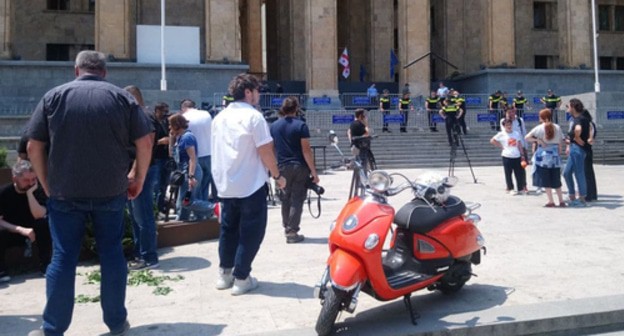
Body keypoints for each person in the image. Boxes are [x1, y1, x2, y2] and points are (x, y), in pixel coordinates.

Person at [26, 50, 153, 336]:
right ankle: (117, 323)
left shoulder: (54, 96)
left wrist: (47, 185)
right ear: (104, 73)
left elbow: (34, 146)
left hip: (64, 192)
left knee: (62, 258)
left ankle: (53, 328)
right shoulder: (122, 98)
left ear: (76, 71)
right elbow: (145, 142)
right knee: (112, 254)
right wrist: (138, 177)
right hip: (111, 191)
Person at [211, 73, 286, 296]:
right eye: (257, 91)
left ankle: (225, 273)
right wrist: (277, 175)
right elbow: (265, 150)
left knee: (228, 229)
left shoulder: (219, 118)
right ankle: (242, 277)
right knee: (252, 231)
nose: (259, 95)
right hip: (250, 184)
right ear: (248, 92)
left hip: (226, 184)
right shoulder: (254, 117)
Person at [270, 96, 319, 244]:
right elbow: (306, 151)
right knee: (297, 199)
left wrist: (274, 168)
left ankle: (287, 226)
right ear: (296, 108)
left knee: (285, 198)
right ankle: (292, 231)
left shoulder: (274, 126)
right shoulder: (301, 125)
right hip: (299, 166)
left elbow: (271, 149)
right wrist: (314, 172)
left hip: (282, 167)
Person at [123, 85, 159, 271]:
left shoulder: (144, 115)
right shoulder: (137, 115)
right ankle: (140, 253)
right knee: (136, 215)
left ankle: (148, 256)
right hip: (135, 171)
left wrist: (135, 171)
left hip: (142, 171)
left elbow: (147, 144)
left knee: (143, 215)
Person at [0, 160, 52, 282]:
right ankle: (1, 270)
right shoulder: (3, 193)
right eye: (26, 180)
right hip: (12, 231)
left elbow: (39, 214)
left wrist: (29, 193)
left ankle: (45, 265)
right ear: (15, 179)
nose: (30, 183)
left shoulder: (37, 190)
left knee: (44, 223)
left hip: (34, 232)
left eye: (33, 179)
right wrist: (20, 230)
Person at [168, 113, 214, 221]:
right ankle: (183, 221)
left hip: (191, 172)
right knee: (182, 203)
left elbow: (192, 158)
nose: (169, 127)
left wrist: (191, 177)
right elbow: (171, 155)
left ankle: (215, 208)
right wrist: (171, 139)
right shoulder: (179, 138)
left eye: (170, 125)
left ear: (176, 125)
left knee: (187, 201)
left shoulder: (187, 137)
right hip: (184, 173)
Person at [525, 109, 566, 207]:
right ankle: (561, 200)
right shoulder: (557, 127)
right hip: (555, 155)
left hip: (543, 156)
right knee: (556, 178)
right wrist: (559, 152)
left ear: (543, 118)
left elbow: (527, 137)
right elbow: (560, 141)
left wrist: (538, 140)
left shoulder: (539, 128)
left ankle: (551, 201)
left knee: (546, 179)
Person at [180, 99, 217, 204]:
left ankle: (201, 210)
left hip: (194, 156)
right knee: (205, 185)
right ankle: (204, 212)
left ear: (183, 108)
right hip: (209, 154)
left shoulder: (184, 118)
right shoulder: (206, 114)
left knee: (195, 188)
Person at [562, 98, 591, 207]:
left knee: (579, 173)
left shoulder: (579, 119)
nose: (567, 109)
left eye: (568, 106)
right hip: (576, 148)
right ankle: (572, 195)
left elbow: (578, 129)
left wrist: (576, 137)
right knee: (566, 172)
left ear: (573, 107)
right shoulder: (583, 118)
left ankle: (582, 198)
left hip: (578, 149)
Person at [490, 118, 527, 195]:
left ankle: (520, 188)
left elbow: (519, 144)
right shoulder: (501, 134)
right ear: (504, 126)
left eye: (510, 125)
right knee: (508, 173)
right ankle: (510, 188)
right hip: (507, 155)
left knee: (518, 173)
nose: (509, 126)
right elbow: (492, 140)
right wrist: (501, 146)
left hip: (516, 155)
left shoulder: (516, 133)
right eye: (507, 125)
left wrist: (522, 154)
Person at [151, 102, 172, 213]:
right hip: (157, 158)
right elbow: (148, 141)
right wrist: (160, 142)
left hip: (165, 158)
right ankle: (154, 209)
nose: (165, 114)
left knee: (164, 184)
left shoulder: (165, 122)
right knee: (156, 185)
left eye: (166, 111)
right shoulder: (152, 122)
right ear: (157, 110)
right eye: (163, 111)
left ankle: (160, 206)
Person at [582, 109, 598, 202]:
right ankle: (592, 194)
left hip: (586, 148)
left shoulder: (588, 124)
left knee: (587, 172)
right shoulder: (591, 123)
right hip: (588, 148)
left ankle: (589, 194)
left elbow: (591, 137)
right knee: (589, 173)